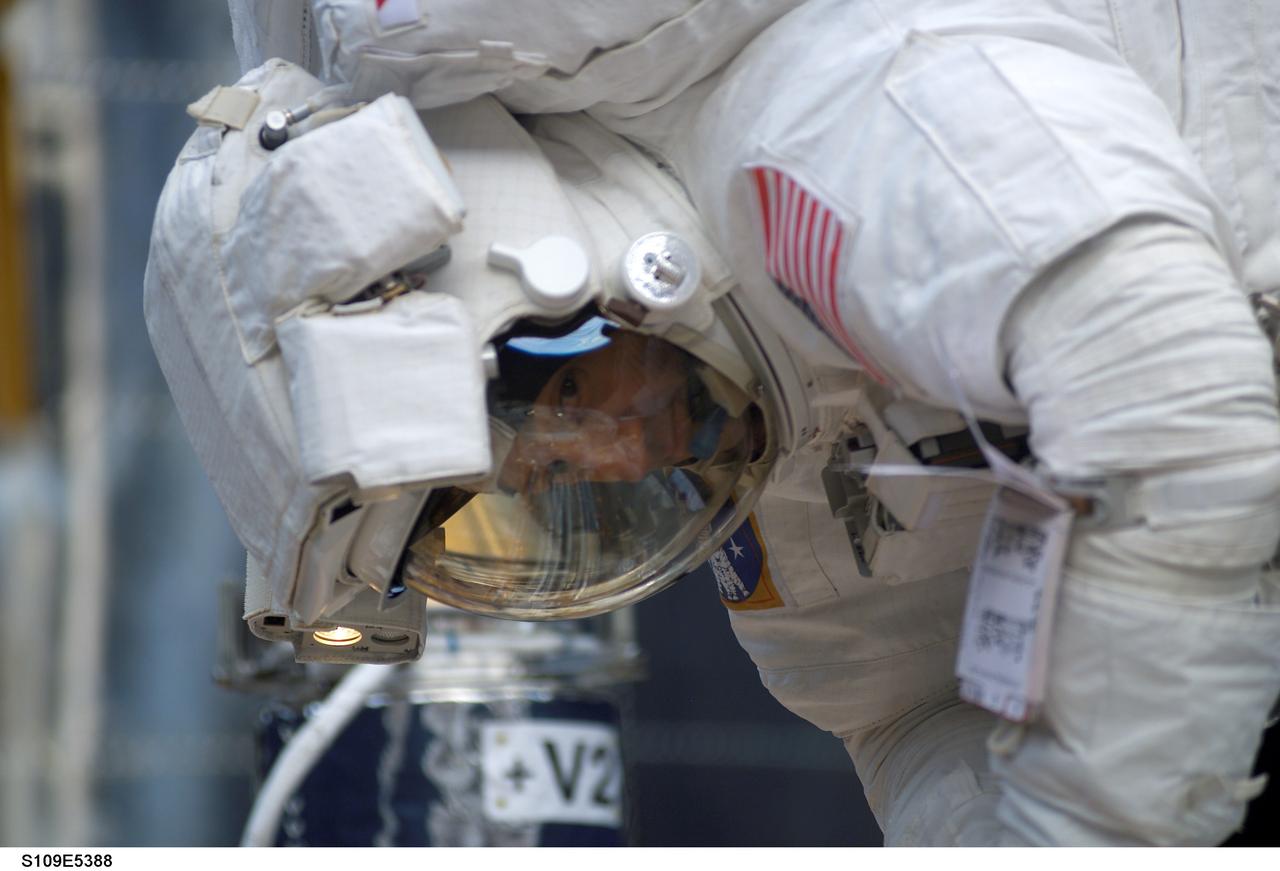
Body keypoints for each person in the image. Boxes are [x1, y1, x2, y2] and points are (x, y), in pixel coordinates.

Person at [148, 0, 1280, 845]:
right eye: (501, 496)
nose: (579, 468)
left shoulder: (825, 131)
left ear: (559, 255)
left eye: (540, 402)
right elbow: (912, 711)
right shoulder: (769, 458)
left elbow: (1172, 394)